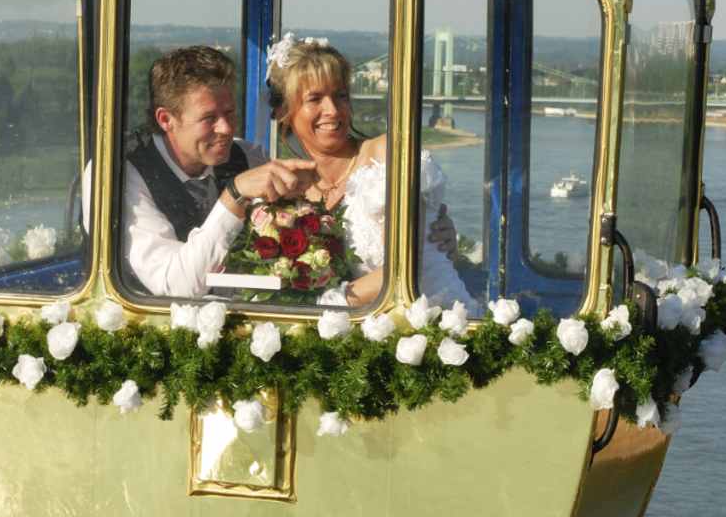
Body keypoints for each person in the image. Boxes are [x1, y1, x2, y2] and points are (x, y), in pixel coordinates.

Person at [265, 35, 476, 311]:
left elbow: (402, 269)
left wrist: (324, 306)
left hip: (434, 321)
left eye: (339, 95)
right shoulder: (292, 191)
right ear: (283, 112)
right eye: (315, 99)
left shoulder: (384, 156)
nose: (332, 110)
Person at [124, 45, 319, 298]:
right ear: (166, 119)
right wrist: (234, 196)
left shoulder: (249, 157)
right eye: (208, 118)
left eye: (230, 112)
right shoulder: (121, 177)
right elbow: (175, 287)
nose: (226, 128)